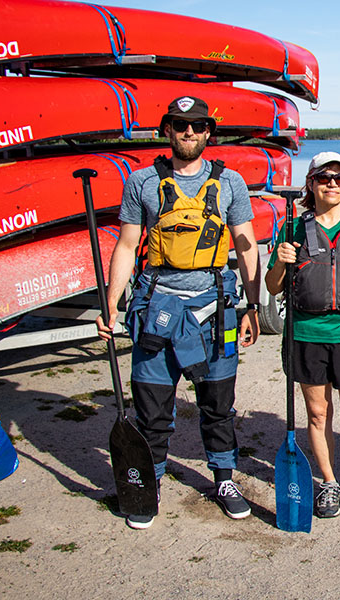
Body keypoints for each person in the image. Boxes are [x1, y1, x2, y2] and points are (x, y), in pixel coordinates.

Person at [96, 96, 261, 529]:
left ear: (210, 132)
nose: (189, 132)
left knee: (218, 403)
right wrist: (110, 306)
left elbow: (246, 245)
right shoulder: (142, 182)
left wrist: (253, 304)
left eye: (197, 125)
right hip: (157, 306)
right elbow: (128, 245)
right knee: (152, 405)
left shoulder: (231, 184)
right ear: (166, 130)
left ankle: (224, 478)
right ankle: (148, 480)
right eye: (180, 125)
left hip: (215, 308)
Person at [265, 152, 340, 525]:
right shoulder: (293, 229)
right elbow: (273, 287)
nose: (332, 184)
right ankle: (330, 483)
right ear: (311, 183)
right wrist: (280, 262)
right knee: (318, 414)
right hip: (306, 334)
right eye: (324, 178)